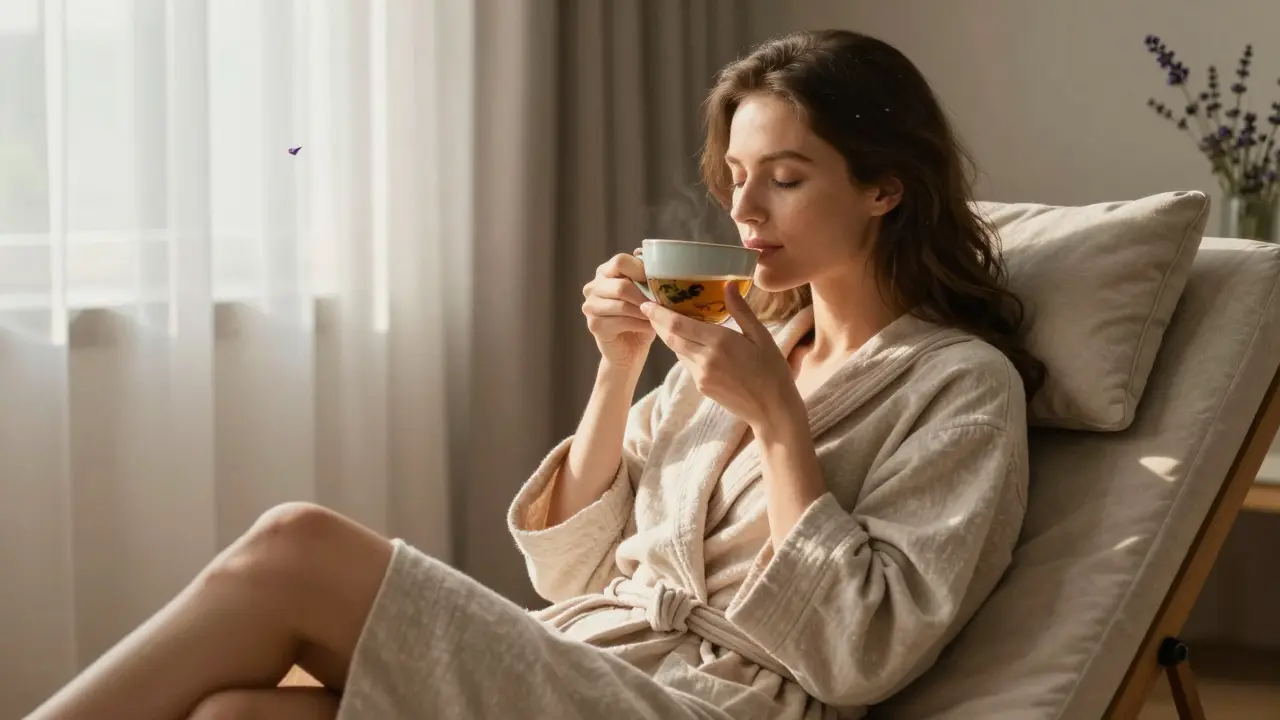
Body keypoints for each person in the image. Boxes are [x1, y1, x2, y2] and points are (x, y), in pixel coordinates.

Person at [29, 28, 1044, 720]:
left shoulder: (959, 389)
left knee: (298, 545)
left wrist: (779, 425)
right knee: (231, 715)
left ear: (883, 187)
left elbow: (859, 651)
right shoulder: (739, 341)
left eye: (784, 179)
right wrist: (619, 369)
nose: (744, 214)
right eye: (735, 179)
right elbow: (564, 575)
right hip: (598, 658)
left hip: (714, 707)